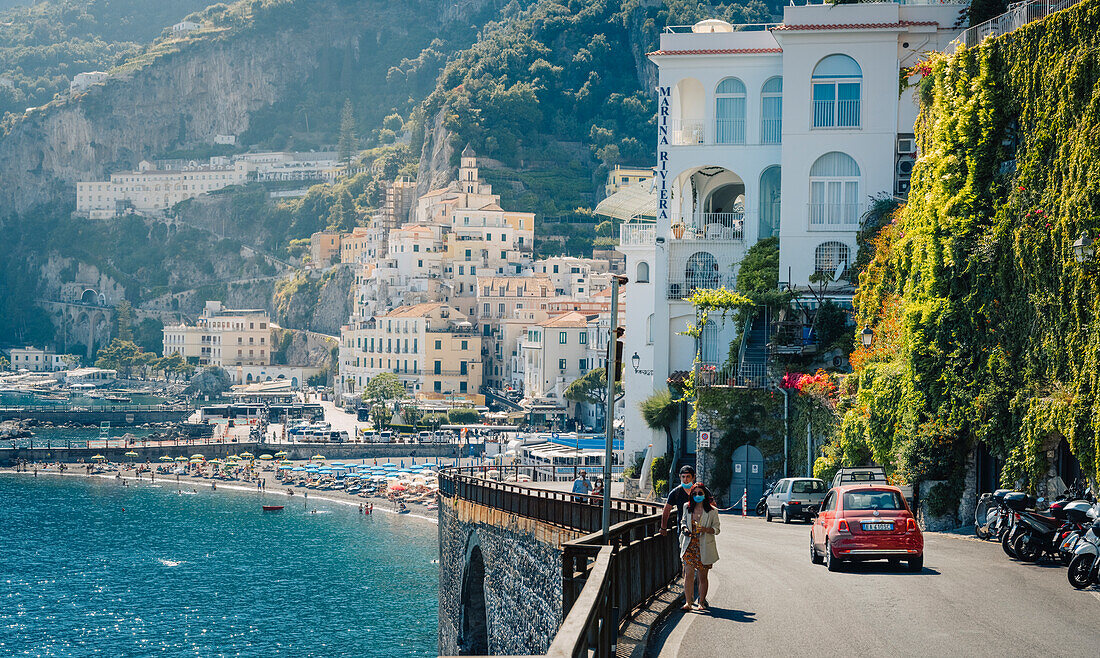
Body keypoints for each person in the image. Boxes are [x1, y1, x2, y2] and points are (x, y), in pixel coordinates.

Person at [679, 482, 720, 611]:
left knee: (702, 576)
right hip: (689, 545)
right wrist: (684, 528)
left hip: (704, 547)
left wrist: (707, 529)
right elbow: (683, 521)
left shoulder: (712, 511)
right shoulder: (687, 507)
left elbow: (717, 529)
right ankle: (688, 602)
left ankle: (701, 602)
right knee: (689, 574)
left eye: (700, 493)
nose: (697, 495)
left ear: (705, 495)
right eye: (694, 493)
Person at [660, 465, 696, 536]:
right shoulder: (676, 492)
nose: (685, 479)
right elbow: (667, 510)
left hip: (700, 529)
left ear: (693, 477)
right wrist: (663, 527)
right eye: (683, 477)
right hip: (683, 529)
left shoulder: (700, 491)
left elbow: (712, 506)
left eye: (688, 476)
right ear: (680, 477)